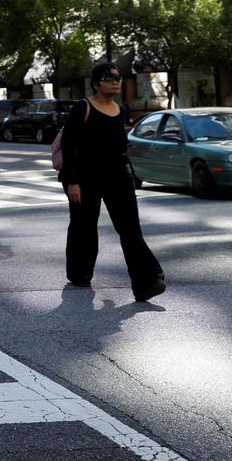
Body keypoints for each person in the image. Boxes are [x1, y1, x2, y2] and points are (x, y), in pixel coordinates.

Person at [59, 62, 165, 301]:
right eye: (109, 78)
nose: (116, 81)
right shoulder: (82, 108)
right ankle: (79, 274)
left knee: (130, 229)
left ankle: (146, 282)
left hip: (118, 176)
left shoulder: (121, 109)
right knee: (83, 226)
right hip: (85, 177)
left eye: (118, 77)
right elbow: (68, 146)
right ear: (96, 84)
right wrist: (73, 181)